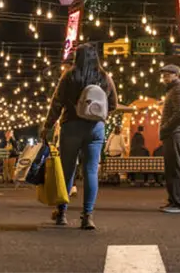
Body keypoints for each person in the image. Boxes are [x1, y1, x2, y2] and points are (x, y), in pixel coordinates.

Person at [41, 43, 117, 230]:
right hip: (95, 128)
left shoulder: (69, 75)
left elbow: (57, 103)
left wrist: (48, 125)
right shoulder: (104, 77)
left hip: (71, 126)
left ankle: (62, 213)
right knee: (91, 172)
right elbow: (113, 103)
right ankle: (87, 216)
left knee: (68, 171)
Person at [158, 64, 180, 214]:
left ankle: (179, 203)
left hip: (174, 133)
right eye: (163, 75)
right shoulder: (173, 90)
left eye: (168, 75)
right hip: (172, 133)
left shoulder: (179, 90)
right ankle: (173, 200)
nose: (165, 77)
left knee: (174, 168)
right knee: (170, 168)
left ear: (176, 75)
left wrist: (165, 128)